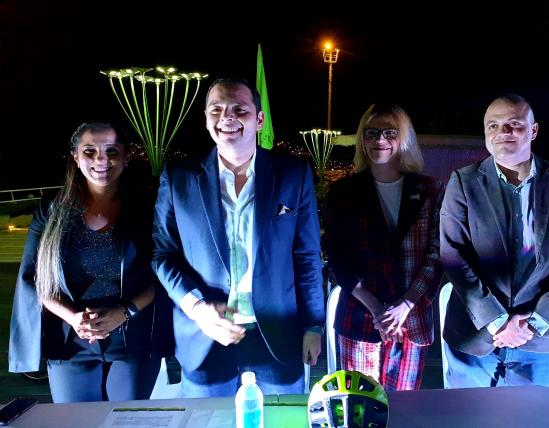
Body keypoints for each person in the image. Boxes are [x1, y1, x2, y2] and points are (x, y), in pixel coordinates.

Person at [152, 78, 325, 397]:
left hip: (276, 334)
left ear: (259, 120)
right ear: (206, 119)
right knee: (208, 420)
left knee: (282, 419)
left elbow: (307, 256)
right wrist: (198, 308)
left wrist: (314, 325)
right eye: (216, 109)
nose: (227, 117)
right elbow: (163, 255)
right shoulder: (178, 177)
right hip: (205, 334)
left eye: (239, 109)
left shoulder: (293, 174)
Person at [440, 94, 549, 390]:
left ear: (533, 130)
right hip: (475, 336)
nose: (503, 131)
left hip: (541, 337)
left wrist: (536, 320)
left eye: (514, 123)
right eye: (493, 125)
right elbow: (453, 255)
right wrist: (497, 320)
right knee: (468, 414)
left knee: (535, 415)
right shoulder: (463, 182)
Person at [9, 122, 164, 402]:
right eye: (89, 151)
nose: (101, 160)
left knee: (126, 419)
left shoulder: (148, 205)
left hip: (133, 335)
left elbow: (161, 272)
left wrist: (124, 312)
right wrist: (73, 318)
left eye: (111, 151)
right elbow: (35, 277)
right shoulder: (52, 208)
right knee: (76, 419)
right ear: (75, 157)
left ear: (127, 156)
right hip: (71, 337)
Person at [324, 103, 444, 390]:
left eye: (390, 132)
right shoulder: (343, 192)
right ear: (362, 140)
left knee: (404, 407)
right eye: (372, 132)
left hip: (411, 320)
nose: (380, 139)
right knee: (359, 406)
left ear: (405, 139)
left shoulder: (430, 190)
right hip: (359, 318)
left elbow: (437, 255)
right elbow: (337, 256)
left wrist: (405, 305)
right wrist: (377, 308)